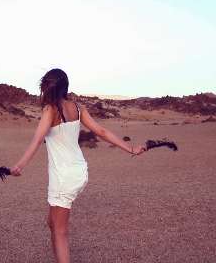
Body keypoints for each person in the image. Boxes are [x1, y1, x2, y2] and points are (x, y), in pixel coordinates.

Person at [10, 68, 147, 263]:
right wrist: (130, 148)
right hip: (79, 170)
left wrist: (20, 165)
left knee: (61, 232)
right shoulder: (78, 107)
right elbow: (101, 130)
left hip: (63, 175)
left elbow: (37, 140)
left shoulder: (51, 109)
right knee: (52, 222)